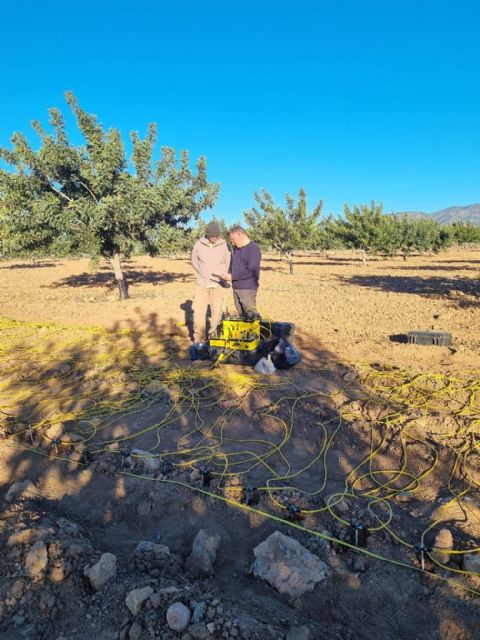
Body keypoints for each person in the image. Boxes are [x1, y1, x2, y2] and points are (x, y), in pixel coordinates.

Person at [191, 221, 231, 344]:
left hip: (218, 284)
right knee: (198, 312)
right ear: (207, 235)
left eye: (217, 236)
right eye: (212, 236)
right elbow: (194, 261)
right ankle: (199, 340)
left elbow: (227, 261)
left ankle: (214, 338)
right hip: (202, 283)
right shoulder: (198, 244)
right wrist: (203, 273)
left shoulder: (224, 245)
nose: (215, 238)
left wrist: (222, 275)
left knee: (217, 312)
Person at [227, 226, 262, 317]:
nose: (232, 242)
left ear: (240, 235)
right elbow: (233, 266)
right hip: (236, 288)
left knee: (251, 317)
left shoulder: (253, 249)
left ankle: (254, 332)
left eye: (233, 239)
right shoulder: (236, 250)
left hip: (247, 289)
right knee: (242, 317)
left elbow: (251, 270)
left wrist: (232, 276)